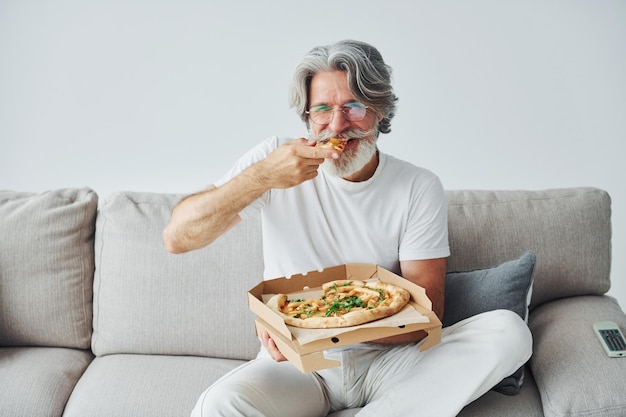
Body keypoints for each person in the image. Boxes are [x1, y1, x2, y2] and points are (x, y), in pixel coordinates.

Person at [163, 39, 532, 417]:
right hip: (300, 365)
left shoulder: (417, 185)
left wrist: (313, 323)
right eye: (322, 109)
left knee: (509, 330)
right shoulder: (274, 162)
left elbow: (427, 312)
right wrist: (261, 177)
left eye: (353, 107)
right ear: (306, 117)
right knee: (219, 404)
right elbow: (177, 237)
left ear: (380, 112)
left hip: (392, 362)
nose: (337, 125)